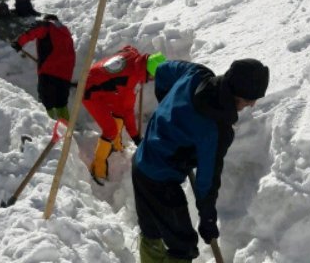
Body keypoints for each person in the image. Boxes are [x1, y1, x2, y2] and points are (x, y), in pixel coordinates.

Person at [132, 59, 269, 262]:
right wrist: (207, 217)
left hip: (141, 161)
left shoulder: (196, 73)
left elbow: (161, 71)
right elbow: (207, 178)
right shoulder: (217, 129)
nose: (252, 105)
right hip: (161, 180)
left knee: (152, 230)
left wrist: (167, 107)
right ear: (236, 95)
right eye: (249, 100)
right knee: (183, 246)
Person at [83, 46, 166, 185]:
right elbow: (127, 111)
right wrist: (135, 137)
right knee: (110, 129)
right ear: (148, 71)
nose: (151, 80)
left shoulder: (134, 56)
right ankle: (98, 168)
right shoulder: (130, 80)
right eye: (152, 77)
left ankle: (116, 145)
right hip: (89, 91)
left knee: (118, 110)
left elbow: (127, 48)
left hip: (97, 81)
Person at [11, 14, 75, 121]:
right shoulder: (65, 32)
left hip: (49, 72)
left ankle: (49, 128)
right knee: (61, 103)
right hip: (66, 74)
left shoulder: (47, 26)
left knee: (47, 102)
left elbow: (35, 29)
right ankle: (66, 127)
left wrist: (19, 42)